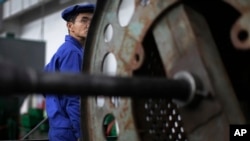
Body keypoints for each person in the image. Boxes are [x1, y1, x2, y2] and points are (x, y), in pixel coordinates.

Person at [43, 3, 95, 141]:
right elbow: (74, 97)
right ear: (70, 26)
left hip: (59, 128)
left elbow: (44, 85)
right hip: (70, 131)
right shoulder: (72, 52)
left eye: (91, 20)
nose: (89, 24)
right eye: (84, 20)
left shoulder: (64, 51)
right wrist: (81, 134)